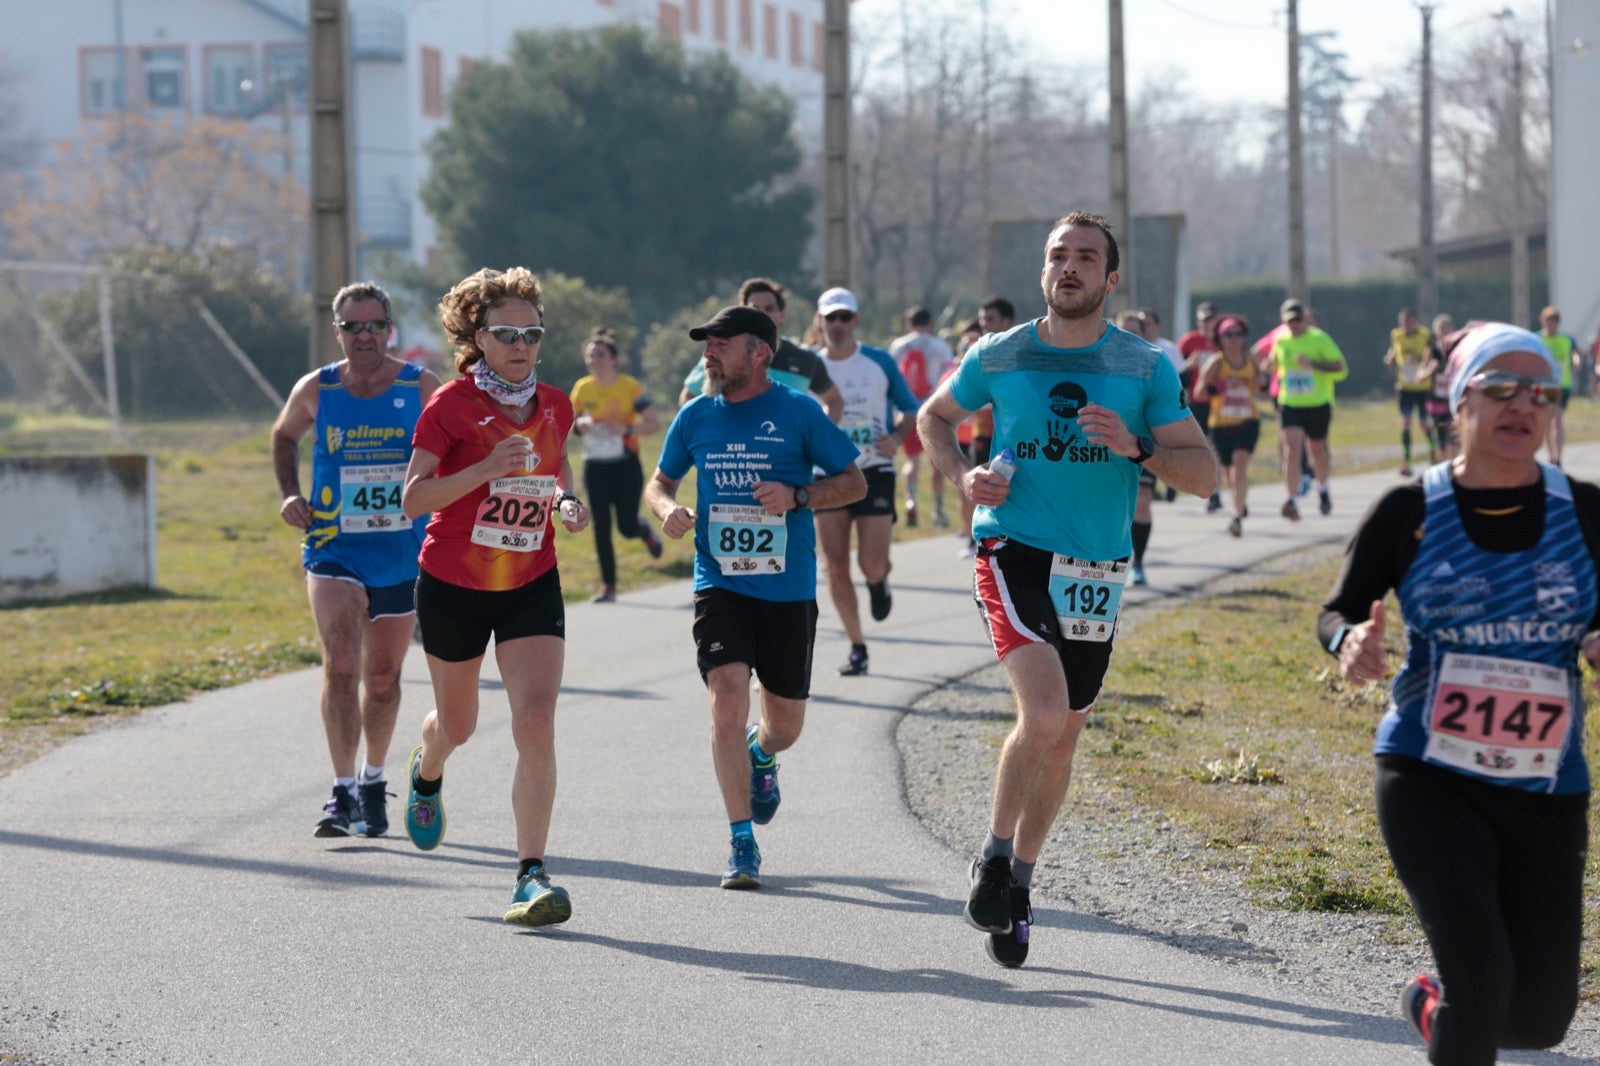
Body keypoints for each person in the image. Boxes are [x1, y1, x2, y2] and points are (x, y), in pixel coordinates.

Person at [919, 211, 1216, 968]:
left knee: (1066, 733)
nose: (1070, 268)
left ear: (1111, 278)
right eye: (1059, 256)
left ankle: (1019, 881)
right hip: (1012, 546)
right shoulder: (1001, 354)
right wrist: (964, 478)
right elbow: (933, 418)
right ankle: (991, 856)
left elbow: (1206, 475)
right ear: (1042, 273)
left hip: (1097, 570)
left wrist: (1138, 446)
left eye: (1087, 257)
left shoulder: (1144, 367)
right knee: (1043, 710)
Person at [1320, 322, 1594, 1065]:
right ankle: (1457, 1009)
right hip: (1428, 774)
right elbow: (1338, 609)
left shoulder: (1587, 512)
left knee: (1537, 1021)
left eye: (1540, 392)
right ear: (1458, 402)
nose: (1522, 405)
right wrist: (1350, 643)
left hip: (1547, 783)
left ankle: (1431, 1010)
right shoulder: (1409, 510)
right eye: (1500, 387)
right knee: (1482, 978)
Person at [644, 306, 865, 889]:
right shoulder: (694, 416)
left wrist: (796, 497)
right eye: (706, 344)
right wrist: (668, 510)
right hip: (720, 582)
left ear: (760, 352)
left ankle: (761, 754)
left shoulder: (798, 413)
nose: (708, 354)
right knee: (725, 698)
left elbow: (854, 481)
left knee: (784, 724)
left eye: (721, 344)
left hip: (787, 589)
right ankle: (742, 842)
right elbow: (659, 482)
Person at [398, 266, 591, 927]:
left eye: (531, 334)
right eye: (506, 333)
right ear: (478, 338)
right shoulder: (449, 405)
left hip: (531, 580)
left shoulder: (558, 404)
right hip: (454, 584)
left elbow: (556, 465)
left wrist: (566, 500)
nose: (520, 345)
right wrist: (483, 470)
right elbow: (412, 498)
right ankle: (427, 768)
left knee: (536, 721)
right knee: (459, 726)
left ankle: (530, 875)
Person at [271, 281, 440, 838]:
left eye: (373, 325)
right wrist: (290, 493)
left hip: (401, 553)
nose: (363, 335)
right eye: (352, 326)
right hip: (334, 547)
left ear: (389, 330)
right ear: (337, 331)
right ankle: (341, 794)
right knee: (341, 663)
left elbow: (457, 447)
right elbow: (284, 435)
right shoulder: (317, 387)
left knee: (384, 677)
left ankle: (372, 780)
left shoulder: (420, 386)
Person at [812, 286, 921, 677]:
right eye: (831, 318)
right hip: (826, 475)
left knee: (871, 562)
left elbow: (910, 407)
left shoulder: (877, 361)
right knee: (836, 566)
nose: (838, 325)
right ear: (820, 322)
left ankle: (878, 583)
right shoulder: (809, 366)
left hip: (874, 468)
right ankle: (857, 645)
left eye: (845, 317)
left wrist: (895, 437)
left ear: (855, 320)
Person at [570, 326, 664, 603]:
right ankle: (609, 586)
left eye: (600, 355)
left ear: (614, 359)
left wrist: (625, 428)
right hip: (595, 465)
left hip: (625, 464)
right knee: (600, 525)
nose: (594, 361)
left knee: (625, 526)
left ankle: (643, 530)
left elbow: (654, 424)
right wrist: (581, 425)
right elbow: (569, 424)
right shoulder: (582, 388)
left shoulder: (629, 387)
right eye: (590, 356)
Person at [678, 278, 844, 423]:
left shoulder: (806, 360)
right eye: (754, 308)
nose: (762, 314)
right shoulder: (720, 357)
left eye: (769, 308)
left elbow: (835, 401)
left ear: (782, 315)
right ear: (742, 313)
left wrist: (814, 440)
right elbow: (688, 397)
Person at [1271, 298, 1347, 520]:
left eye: (1298, 319)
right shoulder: (1280, 340)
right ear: (1283, 321)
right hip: (1290, 403)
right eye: (1290, 321)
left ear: (1305, 319)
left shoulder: (1320, 339)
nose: (1294, 324)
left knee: (1316, 450)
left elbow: (1341, 369)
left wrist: (1313, 364)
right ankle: (1292, 500)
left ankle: (1323, 489)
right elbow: (1276, 362)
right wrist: (1270, 365)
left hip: (1318, 404)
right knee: (1291, 450)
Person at [889, 305, 956, 529]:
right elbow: (949, 378)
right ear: (930, 323)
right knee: (936, 463)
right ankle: (937, 509)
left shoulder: (899, 345)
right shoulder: (940, 346)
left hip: (906, 408)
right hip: (933, 408)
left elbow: (890, 381)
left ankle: (910, 500)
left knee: (911, 461)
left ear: (910, 324)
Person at [1199, 314, 1265, 537]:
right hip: (1221, 425)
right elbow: (1200, 391)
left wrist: (1253, 382)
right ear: (1221, 338)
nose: (1234, 339)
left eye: (1238, 334)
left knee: (1240, 465)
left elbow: (1262, 384)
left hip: (1248, 421)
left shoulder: (1250, 359)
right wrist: (1223, 385)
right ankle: (1240, 501)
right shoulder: (1216, 362)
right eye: (1229, 335)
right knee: (1229, 473)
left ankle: (1236, 517)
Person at [1116, 309, 1157, 585]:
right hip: (1107, 450)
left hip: (1144, 446)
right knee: (1116, 507)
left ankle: (1138, 563)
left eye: (1135, 332)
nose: (1129, 337)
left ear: (1144, 335)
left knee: (1141, 503)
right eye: (1123, 331)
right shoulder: (1099, 363)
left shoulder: (1155, 365)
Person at [1385, 307, 1437, 476]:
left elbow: (1433, 355)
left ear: (1416, 321)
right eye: (1403, 322)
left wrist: (1420, 361)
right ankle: (1406, 461)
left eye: (1409, 321)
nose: (1406, 325)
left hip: (1422, 387)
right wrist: (1390, 358)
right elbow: (1394, 350)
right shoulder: (1396, 335)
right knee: (1406, 423)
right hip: (1404, 386)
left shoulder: (1425, 335)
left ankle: (1433, 452)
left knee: (1423, 423)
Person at [1538, 306, 1579, 467]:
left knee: (1558, 420)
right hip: (1543, 385)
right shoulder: (1537, 339)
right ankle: (1551, 455)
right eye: (1548, 322)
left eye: (1554, 322)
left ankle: (1559, 457)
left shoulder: (1567, 339)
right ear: (1543, 322)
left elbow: (1576, 352)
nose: (1551, 325)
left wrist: (1576, 360)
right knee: (1547, 420)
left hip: (1563, 384)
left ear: (1558, 323)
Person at [1424, 313, 1458, 463]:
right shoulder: (1431, 351)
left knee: (1454, 435)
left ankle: (1453, 463)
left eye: (1446, 328)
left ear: (1452, 329)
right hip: (1436, 400)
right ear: (1435, 331)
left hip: (1453, 399)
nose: (1444, 331)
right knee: (1441, 436)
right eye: (1441, 328)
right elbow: (1420, 374)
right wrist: (1430, 369)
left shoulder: (1458, 349)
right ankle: (1444, 464)